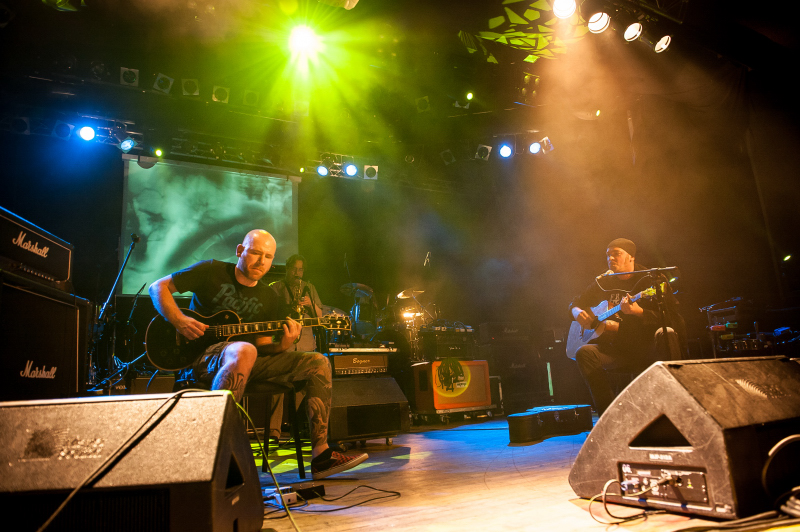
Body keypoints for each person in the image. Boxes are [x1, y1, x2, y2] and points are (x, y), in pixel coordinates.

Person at [149, 229, 368, 479]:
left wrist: (283, 344)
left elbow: (264, 344)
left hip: (248, 360)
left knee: (318, 362)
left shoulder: (267, 296)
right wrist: (179, 321)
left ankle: (321, 455)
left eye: (268, 256)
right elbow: (158, 287)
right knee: (244, 348)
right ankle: (215, 452)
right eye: (255, 253)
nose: (261, 261)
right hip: (201, 357)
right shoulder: (211, 270)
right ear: (240, 251)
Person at [569, 238, 685, 415]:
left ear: (631, 257)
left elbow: (674, 319)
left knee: (667, 332)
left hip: (648, 348)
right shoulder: (605, 281)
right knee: (584, 353)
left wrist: (639, 312)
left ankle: (676, 406)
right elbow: (576, 301)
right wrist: (576, 311)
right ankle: (609, 416)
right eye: (608, 255)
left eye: (617, 254)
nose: (611, 259)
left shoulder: (651, 280)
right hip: (618, 350)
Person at [267, 254, 324, 444]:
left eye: (300, 270)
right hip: (284, 339)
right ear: (287, 268)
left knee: (300, 387)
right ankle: (273, 431)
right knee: (277, 385)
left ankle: (295, 430)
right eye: (294, 269)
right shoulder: (276, 287)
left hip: (306, 340)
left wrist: (311, 304)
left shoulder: (310, 288)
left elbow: (320, 316)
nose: (297, 273)